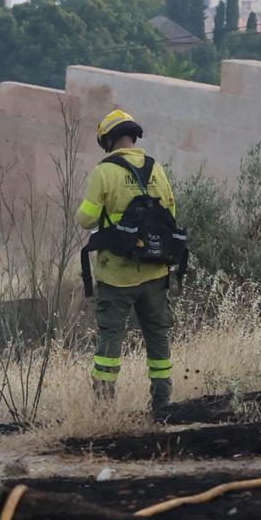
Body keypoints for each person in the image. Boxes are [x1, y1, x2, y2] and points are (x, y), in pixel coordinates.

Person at [76, 109, 178, 418]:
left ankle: (104, 409)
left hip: (117, 274)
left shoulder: (104, 171)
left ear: (108, 141)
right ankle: (162, 405)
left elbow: (86, 218)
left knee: (110, 340)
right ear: (134, 137)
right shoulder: (156, 168)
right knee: (158, 337)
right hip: (156, 269)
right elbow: (171, 213)